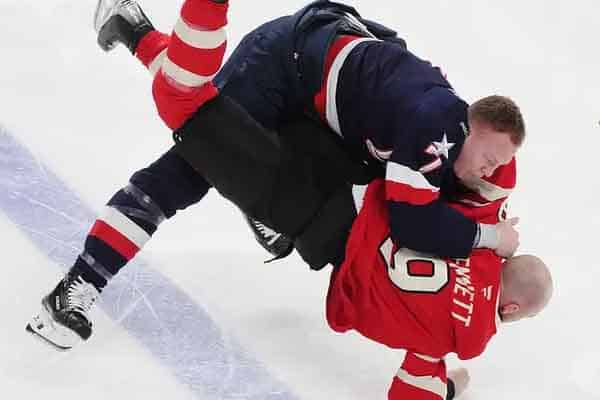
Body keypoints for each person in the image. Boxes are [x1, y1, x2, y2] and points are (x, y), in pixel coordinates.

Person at [26, 0, 525, 352]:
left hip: (321, 86)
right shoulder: (437, 129)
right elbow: (416, 224)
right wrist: (489, 234)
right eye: (490, 155)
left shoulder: (452, 136)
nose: (490, 169)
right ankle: (76, 285)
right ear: (473, 124)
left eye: (497, 165)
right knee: (188, 162)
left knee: (227, 130)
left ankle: (131, 26)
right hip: (283, 63)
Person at [326, 162, 553, 399]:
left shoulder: (485, 242)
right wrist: (449, 387)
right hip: (339, 263)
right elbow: (410, 394)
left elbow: (489, 178)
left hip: (362, 202)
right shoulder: (465, 336)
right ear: (512, 308)